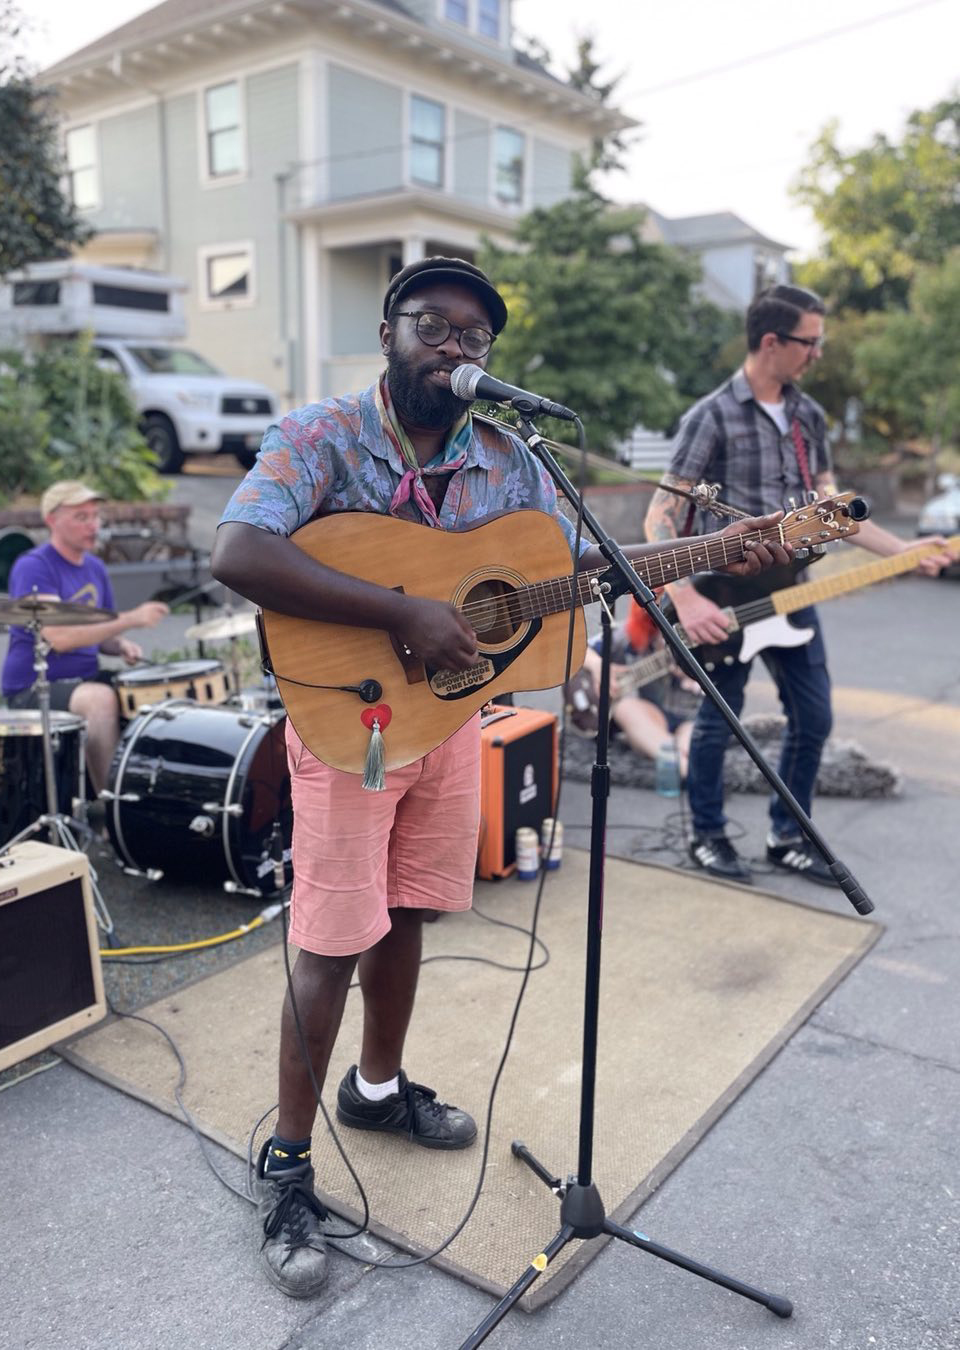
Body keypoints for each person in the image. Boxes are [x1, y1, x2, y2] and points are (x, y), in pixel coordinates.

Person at [210, 255, 791, 1299]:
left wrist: (711, 551)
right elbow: (241, 553)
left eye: (474, 337)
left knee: (409, 913)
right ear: (389, 332)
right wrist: (404, 612)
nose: (453, 348)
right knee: (331, 940)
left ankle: (376, 1088)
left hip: (447, 722)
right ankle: (287, 1166)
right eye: (432, 326)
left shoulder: (510, 456)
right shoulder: (320, 435)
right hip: (351, 723)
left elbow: (566, 568)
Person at [644, 283, 957, 885]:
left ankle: (787, 837)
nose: (818, 354)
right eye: (810, 342)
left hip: (791, 594)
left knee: (813, 719)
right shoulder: (710, 416)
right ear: (771, 342)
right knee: (719, 721)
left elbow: (836, 512)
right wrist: (682, 596)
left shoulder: (807, 416)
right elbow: (660, 516)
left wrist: (903, 551)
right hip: (722, 596)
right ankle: (707, 834)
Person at [0, 481, 169, 792]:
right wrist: (132, 618)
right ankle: (111, 805)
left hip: (85, 677)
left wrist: (119, 645)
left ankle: (152, 794)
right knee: (99, 699)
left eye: (95, 516)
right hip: (36, 685)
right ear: (51, 520)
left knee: (154, 690)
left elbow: (100, 634)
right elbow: (60, 638)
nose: (93, 525)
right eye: (81, 517)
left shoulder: (95, 567)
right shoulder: (34, 566)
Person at [564, 600, 701, 777]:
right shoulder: (627, 635)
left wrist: (695, 677)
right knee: (625, 708)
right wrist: (598, 666)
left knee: (696, 741)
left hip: (689, 717)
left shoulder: (703, 635)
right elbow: (577, 650)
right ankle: (684, 767)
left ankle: (681, 763)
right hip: (649, 714)